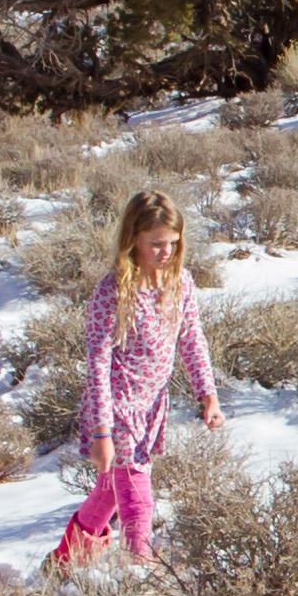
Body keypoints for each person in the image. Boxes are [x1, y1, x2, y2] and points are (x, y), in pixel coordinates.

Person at [48, 189, 225, 575]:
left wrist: (207, 394)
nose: (166, 252)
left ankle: (65, 561)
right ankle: (138, 571)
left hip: (151, 406)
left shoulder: (181, 283)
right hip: (117, 407)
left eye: (173, 243)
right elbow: (97, 363)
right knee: (138, 497)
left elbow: (192, 339)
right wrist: (101, 432)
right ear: (134, 240)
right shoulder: (112, 292)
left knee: (112, 490)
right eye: (156, 244)